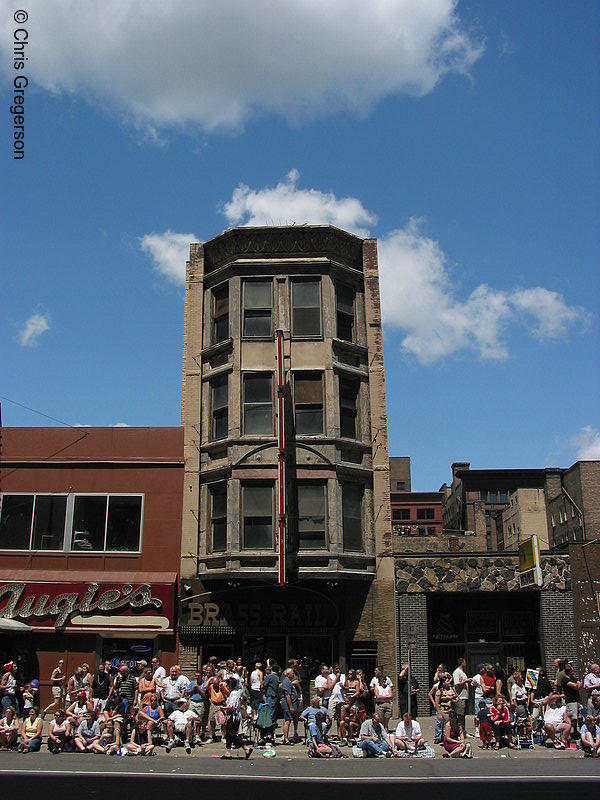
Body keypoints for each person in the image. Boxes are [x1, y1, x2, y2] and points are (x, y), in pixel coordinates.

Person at [221, 676, 253, 759]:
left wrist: (223, 708)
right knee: (228, 734)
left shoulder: (234, 694)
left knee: (231, 734)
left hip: (233, 716)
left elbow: (231, 707)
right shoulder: (234, 693)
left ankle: (246, 748)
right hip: (231, 716)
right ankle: (227, 752)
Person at [560, 662, 582, 737]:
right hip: (570, 700)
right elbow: (575, 686)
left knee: (580, 716)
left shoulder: (574, 679)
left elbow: (579, 685)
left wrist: (577, 684)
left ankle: (579, 731)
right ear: (569, 672)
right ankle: (573, 732)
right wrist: (577, 684)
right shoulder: (565, 680)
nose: (574, 673)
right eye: (573, 671)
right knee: (573, 717)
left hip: (577, 699)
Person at [370, 666, 393, 732]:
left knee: (386, 721)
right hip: (379, 703)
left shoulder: (388, 680)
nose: (375, 672)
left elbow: (391, 693)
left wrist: (383, 696)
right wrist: (386, 696)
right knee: (380, 719)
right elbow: (377, 695)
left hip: (387, 703)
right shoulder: (374, 680)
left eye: (376, 670)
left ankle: (386, 733)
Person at [280, 668, 299, 745]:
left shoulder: (289, 682)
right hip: (287, 705)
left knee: (289, 720)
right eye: (292, 673)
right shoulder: (286, 682)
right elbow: (287, 695)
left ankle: (287, 738)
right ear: (288, 674)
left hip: (292, 704)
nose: (293, 674)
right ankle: (286, 739)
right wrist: (290, 706)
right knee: (287, 720)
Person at [452, 658, 471, 733]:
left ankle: (463, 731)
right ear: (462, 663)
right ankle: (460, 731)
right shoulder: (457, 672)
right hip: (460, 696)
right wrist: (465, 681)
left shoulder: (462, 672)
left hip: (464, 696)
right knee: (460, 715)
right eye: (465, 662)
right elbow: (456, 684)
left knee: (463, 715)